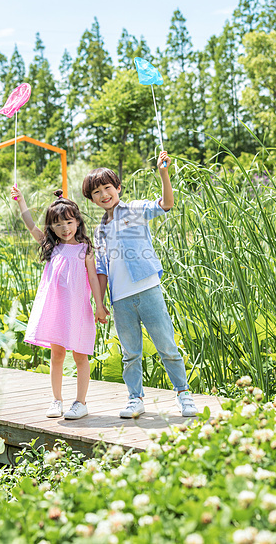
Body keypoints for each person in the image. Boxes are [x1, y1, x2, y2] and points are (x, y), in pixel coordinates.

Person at [82, 151, 198, 419]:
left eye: (108, 188)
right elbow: (100, 270)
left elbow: (166, 204)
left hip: (147, 290)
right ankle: (135, 398)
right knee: (130, 353)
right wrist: (99, 304)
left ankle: (183, 393)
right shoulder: (99, 231)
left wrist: (164, 174)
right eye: (96, 192)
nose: (103, 195)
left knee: (166, 346)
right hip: (120, 299)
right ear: (91, 198)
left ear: (118, 188)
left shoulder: (134, 209)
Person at [11, 186, 109, 420]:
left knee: (80, 355)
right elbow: (30, 225)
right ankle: (57, 400)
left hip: (79, 310)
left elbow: (94, 279)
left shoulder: (85, 249)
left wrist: (100, 305)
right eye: (57, 224)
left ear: (77, 222)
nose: (64, 229)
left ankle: (81, 402)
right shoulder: (51, 245)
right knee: (57, 355)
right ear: (51, 227)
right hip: (56, 310)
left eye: (69, 222)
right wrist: (21, 201)